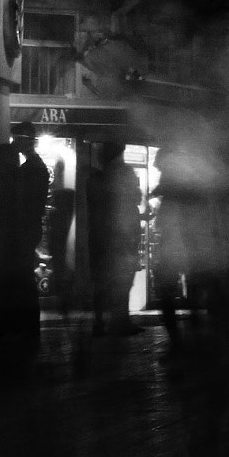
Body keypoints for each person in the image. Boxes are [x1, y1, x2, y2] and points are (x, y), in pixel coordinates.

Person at [0, 141, 46, 356]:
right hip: (16, 238)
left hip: (10, 238)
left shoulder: (6, 181)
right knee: (20, 284)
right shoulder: (22, 180)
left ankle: (15, 327)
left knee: (11, 283)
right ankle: (26, 328)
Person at [88, 142, 142, 336]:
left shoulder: (96, 178)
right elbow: (136, 198)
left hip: (101, 237)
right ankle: (120, 321)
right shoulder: (124, 172)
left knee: (102, 282)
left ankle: (101, 322)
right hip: (121, 237)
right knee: (122, 281)